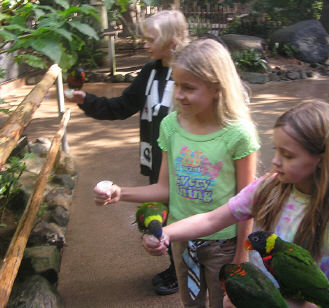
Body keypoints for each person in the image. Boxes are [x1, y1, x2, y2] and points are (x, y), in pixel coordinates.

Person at [94, 38, 260, 308]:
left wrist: (241, 256)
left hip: (224, 244)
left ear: (216, 88)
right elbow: (164, 188)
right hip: (180, 239)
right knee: (191, 303)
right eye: (176, 84)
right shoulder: (171, 126)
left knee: (224, 303)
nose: (178, 94)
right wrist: (119, 193)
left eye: (188, 88)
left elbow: (247, 202)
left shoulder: (239, 134)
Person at [143, 101, 329, 294]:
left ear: (322, 159)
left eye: (288, 155)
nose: (276, 161)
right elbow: (212, 220)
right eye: (277, 150)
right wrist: (167, 233)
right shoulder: (268, 187)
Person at [66, 10, 190, 295]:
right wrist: (89, 101)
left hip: (187, 163)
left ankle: (188, 270)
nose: (144, 44)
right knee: (163, 216)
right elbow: (123, 106)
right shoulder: (150, 71)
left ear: (172, 41)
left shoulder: (189, 71)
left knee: (186, 216)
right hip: (156, 158)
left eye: (151, 39)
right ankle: (175, 269)